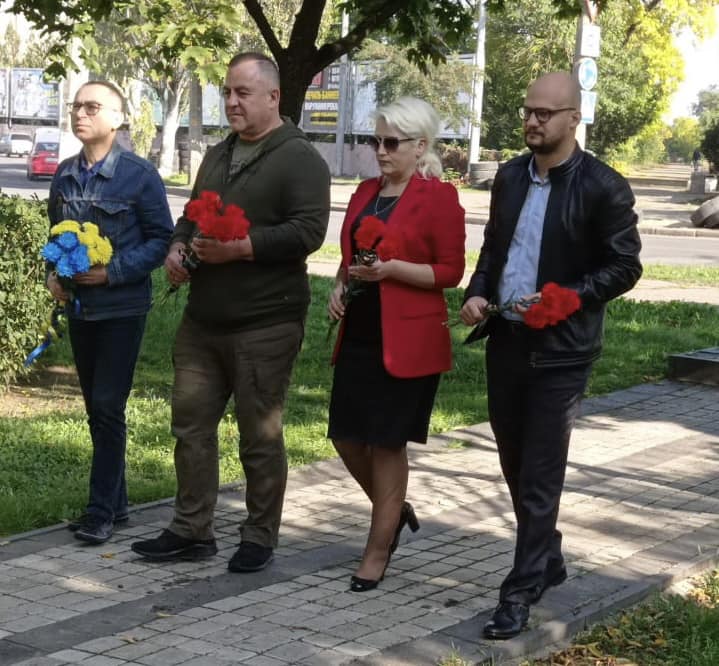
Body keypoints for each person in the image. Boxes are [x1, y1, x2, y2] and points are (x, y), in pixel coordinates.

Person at [460, 72, 642, 639]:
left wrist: (572, 297)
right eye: (528, 111)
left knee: (540, 471)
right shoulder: (510, 176)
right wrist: (476, 290)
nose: (533, 121)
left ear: (573, 119)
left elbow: (625, 264)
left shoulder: (603, 186)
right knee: (514, 462)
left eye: (546, 113)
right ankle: (549, 557)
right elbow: (495, 245)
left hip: (562, 352)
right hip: (508, 339)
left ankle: (519, 591)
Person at [131, 53, 330, 572]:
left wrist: (244, 248)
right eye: (227, 92)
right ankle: (191, 529)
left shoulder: (299, 157)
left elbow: (309, 231)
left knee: (258, 435)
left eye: (243, 93)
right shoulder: (219, 153)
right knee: (190, 427)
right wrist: (178, 248)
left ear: (273, 96)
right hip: (204, 319)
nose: (232, 102)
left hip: (266, 321)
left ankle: (259, 536)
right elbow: (190, 216)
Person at [327, 97, 465, 592]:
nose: (380, 152)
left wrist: (392, 271)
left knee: (387, 444)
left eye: (391, 143)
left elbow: (451, 273)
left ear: (420, 146)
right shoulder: (365, 191)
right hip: (360, 333)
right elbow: (350, 258)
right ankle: (395, 508)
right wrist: (340, 286)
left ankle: (377, 548)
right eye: (376, 141)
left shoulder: (438, 198)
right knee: (345, 436)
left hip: (408, 342)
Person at [47, 81, 174, 544]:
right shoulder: (64, 175)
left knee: (107, 405)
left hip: (120, 308)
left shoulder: (139, 176)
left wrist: (112, 271)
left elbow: (163, 240)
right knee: (95, 408)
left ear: (118, 118)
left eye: (92, 107)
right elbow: (56, 236)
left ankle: (99, 511)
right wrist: (53, 274)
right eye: (75, 106)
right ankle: (117, 504)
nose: (80, 113)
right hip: (81, 311)